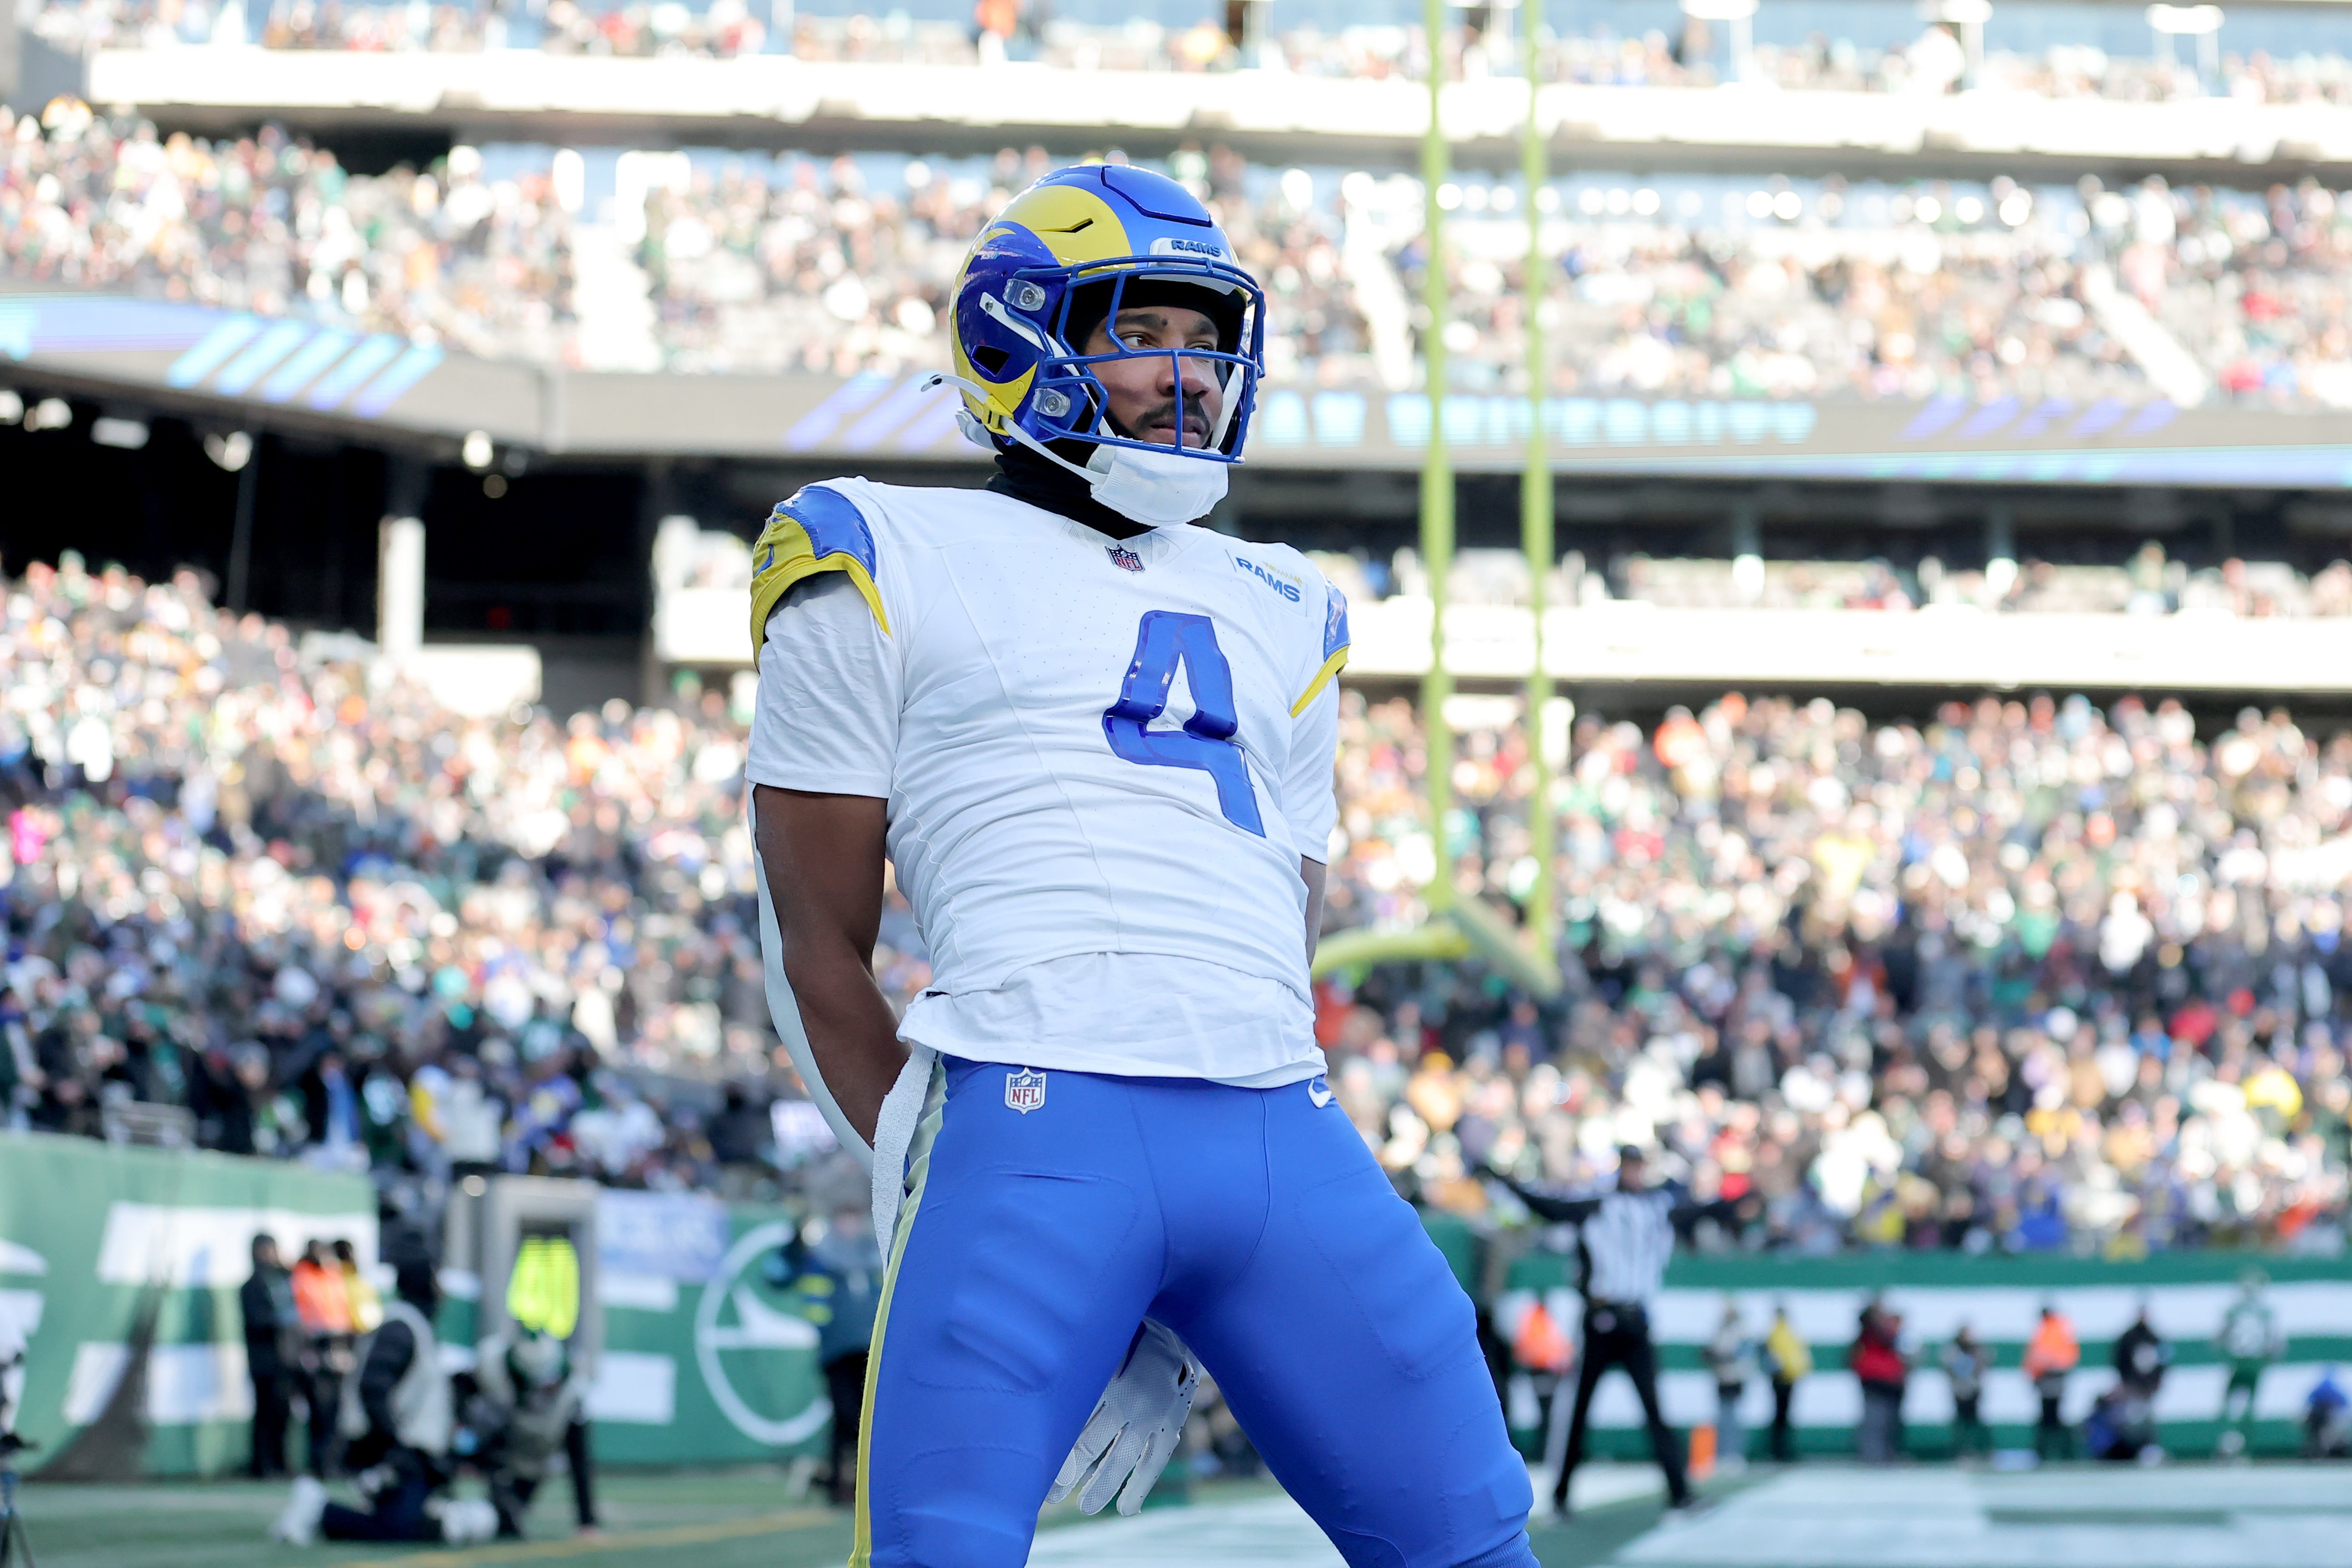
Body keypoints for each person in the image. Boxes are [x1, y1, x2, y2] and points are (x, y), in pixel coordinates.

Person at [748, 161, 1535, 1568]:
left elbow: (1272, 935)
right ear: (1018, 339)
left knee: (1474, 1542)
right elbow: (814, 945)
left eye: (1204, 338)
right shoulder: (875, 546)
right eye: (1139, 331)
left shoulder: (1288, 601)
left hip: (1280, 1128)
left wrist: (1171, 1277)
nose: (1184, 372)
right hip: (1025, 1115)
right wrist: (921, 1174)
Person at [1505, 1146, 1714, 1518]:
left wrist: (1747, 1196)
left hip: (1636, 1321)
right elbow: (1548, 1207)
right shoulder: (1598, 1206)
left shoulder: (1656, 1208)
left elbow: (1704, 1209)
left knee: (1654, 1410)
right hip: (1601, 1320)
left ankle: (1679, 1492)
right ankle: (1561, 1494)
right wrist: (1502, 1179)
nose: (1635, 1173)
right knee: (1579, 1411)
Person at [268, 1259, 494, 1546]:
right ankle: (320, 1510)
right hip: (392, 1450)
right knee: (398, 1529)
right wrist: (392, 1445)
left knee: (417, 1523)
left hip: (412, 1452)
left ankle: (438, 1514)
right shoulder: (402, 1327)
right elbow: (373, 1388)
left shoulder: (414, 1326)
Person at [460, 1329, 597, 1539]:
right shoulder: (492, 1377)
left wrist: (587, 1521)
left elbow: (580, 1459)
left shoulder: (570, 1399)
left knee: (508, 1525)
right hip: (497, 1455)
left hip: (533, 1460)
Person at [289, 1239, 355, 1477]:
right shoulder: (304, 1277)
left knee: (335, 1410)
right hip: (317, 1348)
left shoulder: (332, 1276)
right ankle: (321, 1464)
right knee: (320, 1410)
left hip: (338, 1345)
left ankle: (333, 1462)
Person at [240, 1234, 299, 1479]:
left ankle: (279, 1463)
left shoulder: (278, 1281)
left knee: (282, 1414)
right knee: (266, 1415)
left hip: (282, 1360)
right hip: (265, 1361)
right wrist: (280, 1321)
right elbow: (257, 1320)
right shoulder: (252, 1285)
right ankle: (264, 1466)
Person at [2217, 1268, 2284, 1459]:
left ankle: (2233, 1443)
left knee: (2233, 1405)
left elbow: (2220, 1339)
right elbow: (2276, 1344)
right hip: (2253, 1365)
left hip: (2239, 1364)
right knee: (2246, 1407)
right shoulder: (2264, 1313)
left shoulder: (2235, 1311)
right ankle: (2242, 1445)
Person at [1850, 1298, 1907, 1464]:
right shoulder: (1873, 1331)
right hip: (1876, 1378)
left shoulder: (1885, 1331)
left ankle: (1885, 1453)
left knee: (1889, 1420)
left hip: (1890, 1378)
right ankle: (1872, 1455)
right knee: (1875, 1418)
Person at [1702, 1298, 1755, 1473]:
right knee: (1723, 1419)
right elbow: (1713, 1351)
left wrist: (1722, 1357)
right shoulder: (1720, 1330)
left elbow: (1740, 1355)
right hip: (1721, 1378)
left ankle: (1735, 1454)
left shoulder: (1741, 1331)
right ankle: (1723, 1454)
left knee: (1733, 1418)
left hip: (1735, 1378)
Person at [2022, 1303, 2079, 1462]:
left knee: (2053, 1418)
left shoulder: (2056, 1330)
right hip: (2045, 1380)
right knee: (2048, 1417)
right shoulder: (2047, 1330)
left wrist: (2046, 1364)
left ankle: (2058, 1452)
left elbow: (2065, 1357)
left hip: (2053, 1379)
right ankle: (2049, 1452)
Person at [1763, 1303, 1811, 1463]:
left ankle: (1782, 1450)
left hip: (1786, 1377)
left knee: (1782, 1415)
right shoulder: (1784, 1333)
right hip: (1784, 1378)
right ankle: (1780, 1450)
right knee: (1782, 1415)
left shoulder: (1779, 1333)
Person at [1940, 1323, 1990, 1460]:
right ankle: (1961, 1451)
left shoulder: (1977, 1350)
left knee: (1974, 1421)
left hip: (1973, 1389)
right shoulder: (1953, 1351)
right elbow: (1948, 1367)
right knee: (1960, 1422)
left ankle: (1976, 1450)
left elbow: (1982, 1366)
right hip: (1958, 1391)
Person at [2113, 1302, 2170, 1402]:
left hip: (2148, 1389)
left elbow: (2164, 1363)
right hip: (2131, 1388)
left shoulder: (2154, 1339)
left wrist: (2155, 1386)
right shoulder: (2129, 1339)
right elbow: (2120, 1359)